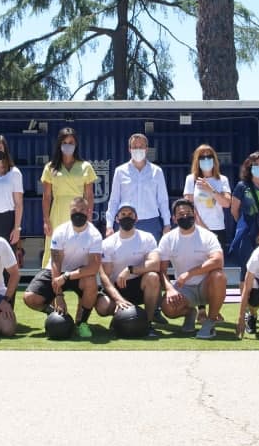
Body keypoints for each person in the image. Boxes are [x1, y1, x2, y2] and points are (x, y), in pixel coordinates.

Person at [22, 196, 103, 338]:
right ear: (69, 212)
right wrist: (58, 295)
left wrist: (67, 276)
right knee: (29, 297)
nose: (78, 213)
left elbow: (93, 268)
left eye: (82, 210)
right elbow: (55, 263)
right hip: (56, 271)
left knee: (91, 283)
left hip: (78, 273)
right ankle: (55, 313)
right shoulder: (60, 231)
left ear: (89, 211)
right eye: (74, 210)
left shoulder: (95, 235)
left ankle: (81, 323)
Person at [148, 197, 228, 339]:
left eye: (188, 213)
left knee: (219, 276)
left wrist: (189, 273)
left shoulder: (207, 235)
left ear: (195, 215)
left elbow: (218, 261)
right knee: (168, 307)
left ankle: (210, 321)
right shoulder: (168, 239)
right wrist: (170, 289)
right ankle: (190, 313)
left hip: (206, 286)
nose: (185, 216)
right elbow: (162, 271)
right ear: (174, 218)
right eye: (180, 214)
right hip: (184, 288)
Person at [98, 201, 162, 331]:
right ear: (117, 218)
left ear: (136, 218)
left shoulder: (147, 237)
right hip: (117, 287)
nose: (126, 217)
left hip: (138, 285)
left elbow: (155, 264)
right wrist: (118, 299)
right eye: (123, 214)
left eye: (130, 214)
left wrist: (131, 269)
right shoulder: (108, 243)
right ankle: (119, 317)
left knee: (153, 277)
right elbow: (106, 277)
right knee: (102, 306)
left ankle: (147, 322)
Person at [40, 127, 96, 259]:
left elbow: (89, 195)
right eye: (64, 142)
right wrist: (46, 219)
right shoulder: (50, 167)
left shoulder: (85, 166)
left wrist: (89, 215)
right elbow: (47, 196)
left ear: (76, 145)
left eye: (71, 143)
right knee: (56, 246)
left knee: (78, 244)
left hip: (78, 211)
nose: (68, 146)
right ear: (59, 144)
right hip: (57, 211)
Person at [105, 133, 170, 239]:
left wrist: (167, 224)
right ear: (129, 149)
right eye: (135, 147)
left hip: (151, 222)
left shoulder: (156, 171)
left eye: (141, 147)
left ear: (146, 149)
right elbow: (114, 200)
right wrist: (109, 225)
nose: (138, 149)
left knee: (152, 255)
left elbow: (163, 200)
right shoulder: (120, 171)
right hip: (126, 221)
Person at [228, 151, 259, 272]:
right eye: (255, 164)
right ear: (249, 166)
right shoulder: (242, 186)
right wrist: (243, 223)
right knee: (246, 267)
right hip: (247, 231)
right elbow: (234, 210)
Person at [183, 144, 232, 249]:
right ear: (197, 160)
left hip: (217, 228)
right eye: (202, 157)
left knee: (216, 263)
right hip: (196, 229)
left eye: (209, 157)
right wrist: (203, 227)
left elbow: (226, 203)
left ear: (214, 160)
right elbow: (188, 207)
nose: (206, 160)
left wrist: (210, 190)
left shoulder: (222, 180)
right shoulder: (191, 179)